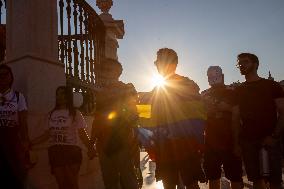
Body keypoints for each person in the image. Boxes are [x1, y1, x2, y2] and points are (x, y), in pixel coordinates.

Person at [151, 48, 206, 189]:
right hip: (166, 145)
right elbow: (148, 119)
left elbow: (198, 115)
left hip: (185, 143)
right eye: (157, 61)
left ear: (173, 63)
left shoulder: (188, 85)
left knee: (189, 182)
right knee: (172, 183)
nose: (157, 64)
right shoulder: (155, 90)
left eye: (159, 61)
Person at [232, 53, 284, 189]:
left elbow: (283, 112)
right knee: (256, 181)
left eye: (245, 62)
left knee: (275, 182)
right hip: (248, 141)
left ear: (255, 64)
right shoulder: (238, 90)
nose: (241, 65)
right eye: (239, 63)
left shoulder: (272, 86)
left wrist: (274, 136)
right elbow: (235, 117)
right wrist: (237, 143)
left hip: (271, 140)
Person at [31, 86, 95, 189]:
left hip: (71, 151)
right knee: (61, 184)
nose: (60, 96)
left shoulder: (75, 113)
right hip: (55, 151)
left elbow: (82, 134)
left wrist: (91, 147)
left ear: (68, 96)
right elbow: (47, 135)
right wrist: (31, 143)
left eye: (63, 94)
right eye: (58, 94)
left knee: (72, 183)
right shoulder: (51, 114)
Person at [90, 60, 141, 189]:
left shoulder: (127, 88)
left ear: (119, 72)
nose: (106, 72)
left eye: (110, 69)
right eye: (105, 70)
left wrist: (134, 139)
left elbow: (134, 115)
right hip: (103, 141)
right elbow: (97, 119)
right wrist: (92, 142)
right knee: (109, 181)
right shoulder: (99, 91)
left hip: (123, 139)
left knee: (128, 179)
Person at [201, 66, 243, 189]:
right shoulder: (204, 95)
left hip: (230, 140)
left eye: (216, 76)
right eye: (210, 77)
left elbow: (238, 116)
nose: (213, 79)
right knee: (213, 176)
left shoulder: (233, 92)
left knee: (235, 176)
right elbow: (199, 117)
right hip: (211, 142)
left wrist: (237, 143)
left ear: (222, 76)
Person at [0, 64, 30, 189]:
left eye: (5, 74)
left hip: (13, 139)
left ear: (11, 77)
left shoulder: (18, 96)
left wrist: (25, 140)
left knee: (16, 170)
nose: (2, 77)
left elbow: (23, 121)